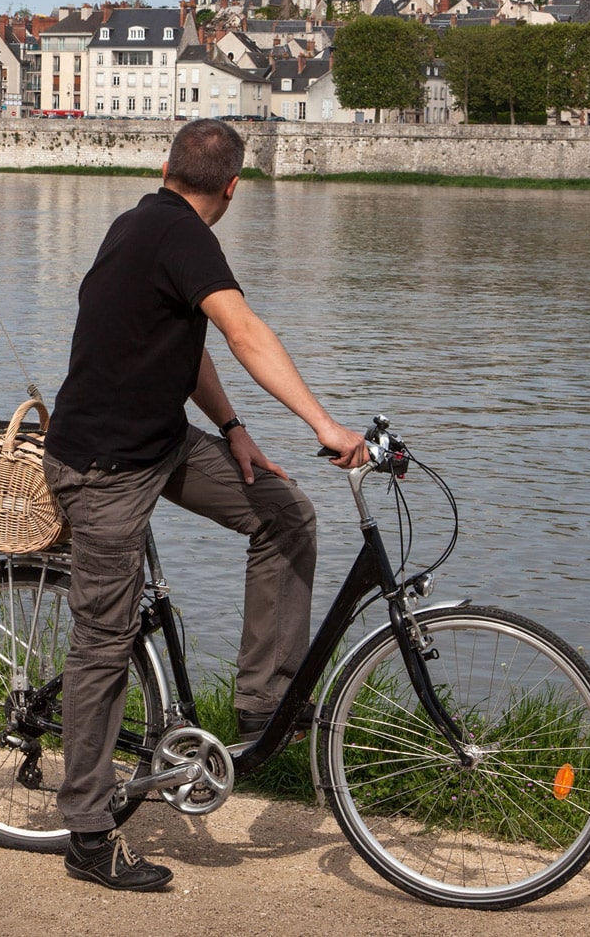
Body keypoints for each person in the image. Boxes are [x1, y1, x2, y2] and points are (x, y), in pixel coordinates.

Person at [43, 119, 367, 893]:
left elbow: (185, 344)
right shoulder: (179, 235)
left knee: (285, 513)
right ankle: (87, 831)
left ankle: (264, 705)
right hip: (101, 466)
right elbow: (244, 330)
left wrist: (234, 428)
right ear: (232, 188)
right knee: (104, 639)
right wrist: (325, 425)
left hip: (160, 442)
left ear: (166, 167)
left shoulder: (148, 225)